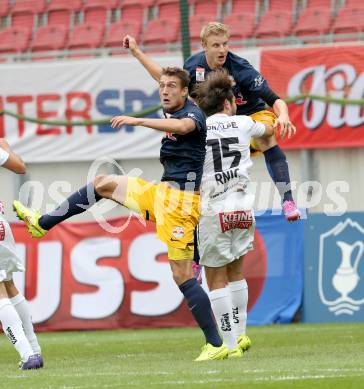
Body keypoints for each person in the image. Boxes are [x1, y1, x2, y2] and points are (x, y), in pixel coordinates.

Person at [13, 67, 229, 361]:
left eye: (170, 87)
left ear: (184, 91)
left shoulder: (193, 115)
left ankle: (216, 344)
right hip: (162, 194)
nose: (164, 90)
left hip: (180, 204)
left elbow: (183, 129)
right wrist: (136, 54)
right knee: (104, 183)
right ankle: (42, 223)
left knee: (180, 276)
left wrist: (138, 120)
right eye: (161, 86)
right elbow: (165, 79)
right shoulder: (174, 99)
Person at [122, 22, 300, 222]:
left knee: (267, 137)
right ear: (204, 45)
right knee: (191, 144)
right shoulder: (193, 65)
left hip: (250, 118)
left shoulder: (242, 69)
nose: (222, 49)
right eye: (216, 45)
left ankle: (288, 200)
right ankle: (191, 204)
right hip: (217, 121)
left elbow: (275, 100)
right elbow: (166, 80)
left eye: (225, 44)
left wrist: (283, 116)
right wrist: (137, 52)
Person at [194, 69, 277, 357]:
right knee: (237, 272)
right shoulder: (243, 122)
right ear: (228, 104)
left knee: (215, 278)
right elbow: (269, 129)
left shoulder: (199, 129)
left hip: (214, 208)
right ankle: (241, 335)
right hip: (242, 207)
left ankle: (229, 346)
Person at [0, 139, 43, 370]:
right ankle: (34, 350)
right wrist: (5, 147)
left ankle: (28, 355)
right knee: (8, 284)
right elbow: (20, 166)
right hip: (1, 226)